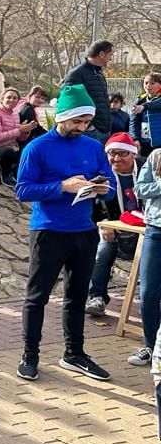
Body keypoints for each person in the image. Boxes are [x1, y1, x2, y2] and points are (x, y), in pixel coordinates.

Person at [14, 83, 116, 382]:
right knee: (37, 297)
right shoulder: (37, 147)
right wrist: (62, 186)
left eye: (85, 122)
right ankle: (30, 355)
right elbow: (23, 190)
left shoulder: (94, 146)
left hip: (84, 230)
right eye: (76, 121)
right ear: (60, 117)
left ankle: (75, 354)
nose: (81, 127)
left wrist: (101, 187)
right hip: (49, 230)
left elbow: (110, 189)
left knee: (77, 295)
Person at [85, 132, 142, 321]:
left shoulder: (145, 169)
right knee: (103, 250)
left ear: (133, 154)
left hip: (145, 227)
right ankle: (97, 297)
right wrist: (104, 225)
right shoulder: (102, 174)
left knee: (152, 252)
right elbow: (92, 206)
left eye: (122, 154)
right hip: (113, 227)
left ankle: (148, 299)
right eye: (112, 154)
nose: (116, 159)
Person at [133, 150, 161, 370]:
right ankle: (151, 347)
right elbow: (140, 189)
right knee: (148, 292)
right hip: (156, 230)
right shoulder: (157, 156)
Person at [0, 87, 37, 187]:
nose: (11, 100)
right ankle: (6, 175)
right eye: (9, 97)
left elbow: (19, 138)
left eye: (15, 98)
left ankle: (22, 176)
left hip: (10, 146)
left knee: (30, 149)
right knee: (8, 152)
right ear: (2, 99)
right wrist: (19, 130)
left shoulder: (15, 114)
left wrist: (25, 132)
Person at [61, 40, 114, 143]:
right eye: (110, 55)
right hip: (89, 132)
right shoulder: (76, 74)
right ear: (101, 54)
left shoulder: (99, 74)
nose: (111, 59)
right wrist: (88, 125)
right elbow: (67, 102)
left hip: (103, 130)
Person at [131, 74, 161, 157]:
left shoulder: (146, 104)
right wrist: (135, 139)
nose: (148, 86)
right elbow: (134, 122)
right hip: (145, 144)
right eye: (146, 83)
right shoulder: (139, 100)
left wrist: (145, 106)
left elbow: (158, 104)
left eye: (152, 83)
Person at [15, 85, 49, 150]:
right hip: (23, 142)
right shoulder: (27, 109)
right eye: (37, 97)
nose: (40, 100)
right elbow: (36, 128)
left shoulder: (27, 107)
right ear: (30, 96)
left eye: (42, 98)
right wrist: (50, 134)